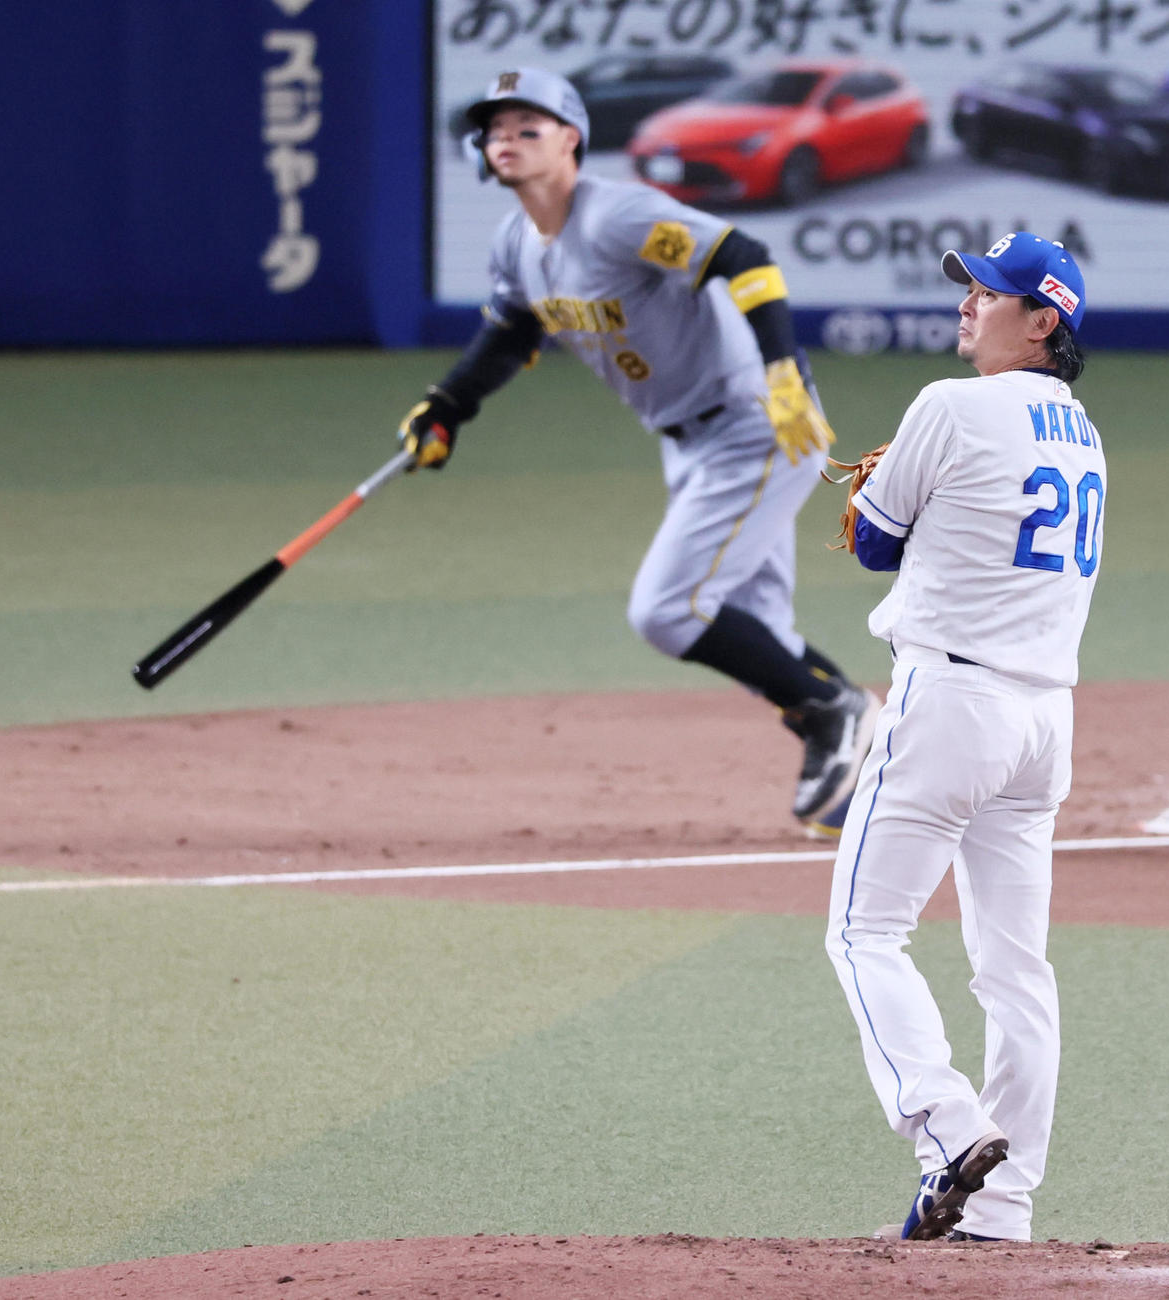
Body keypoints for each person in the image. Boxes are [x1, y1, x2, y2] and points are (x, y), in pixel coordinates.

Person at [399, 68, 879, 833]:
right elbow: (514, 330)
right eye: (495, 130)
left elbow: (743, 255)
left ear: (571, 139)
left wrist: (784, 371)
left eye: (528, 126)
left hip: (757, 424)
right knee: (756, 633)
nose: (507, 139)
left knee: (669, 609)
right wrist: (449, 406)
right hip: (689, 442)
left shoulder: (617, 216)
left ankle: (835, 710)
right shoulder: (517, 243)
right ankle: (879, 768)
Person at [823, 232, 1104, 1242]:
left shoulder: (949, 405)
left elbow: (871, 543)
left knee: (863, 932)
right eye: (970, 287)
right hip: (1043, 725)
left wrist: (885, 489)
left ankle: (946, 1124)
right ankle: (1002, 1209)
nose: (967, 303)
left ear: (1042, 322)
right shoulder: (1083, 433)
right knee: (1016, 969)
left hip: (950, 706)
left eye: (989, 292)